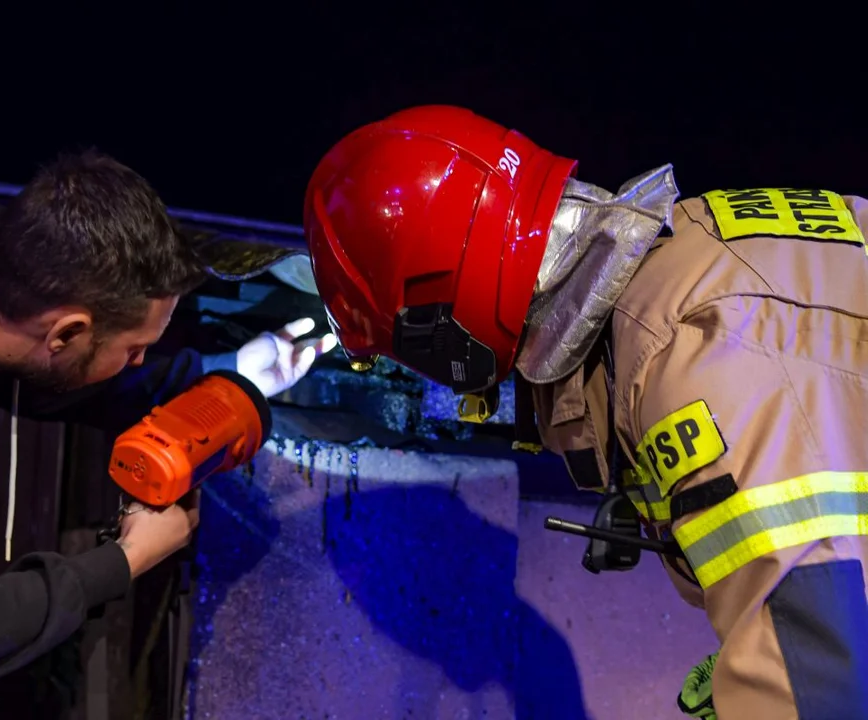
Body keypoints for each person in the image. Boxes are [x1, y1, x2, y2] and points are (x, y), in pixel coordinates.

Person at [296, 105, 868, 718]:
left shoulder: (683, 359)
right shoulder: (692, 250)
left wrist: (769, 668)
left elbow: (818, 670)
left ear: (438, 332)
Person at [0, 152, 332, 695]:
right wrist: (123, 561)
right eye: (136, 349)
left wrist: (227, 372)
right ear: (67, 332)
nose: (140, 361)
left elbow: (45, 379)